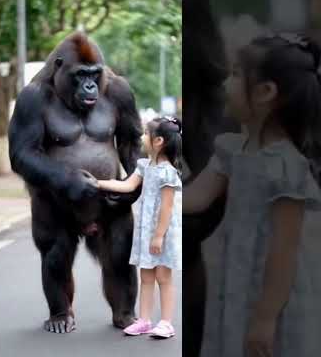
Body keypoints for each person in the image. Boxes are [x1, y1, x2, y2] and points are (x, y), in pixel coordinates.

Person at [184, 34, 321, 357]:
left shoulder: (287, 167)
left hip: (273, 295)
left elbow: (284, 251)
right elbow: (196, 198)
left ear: (265, 92)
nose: (225, 82)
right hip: (235, 283)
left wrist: (265, 318)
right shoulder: (231, 150)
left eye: (235, 74)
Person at [95, 116, 182, 339]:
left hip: (162, 234)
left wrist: (159, 236)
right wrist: (97, 183)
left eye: (146, 134)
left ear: (158, 141)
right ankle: (143, 320)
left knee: (164, 277)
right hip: (145, 233)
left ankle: (166, 323)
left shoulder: (168, 173)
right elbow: (126, 185)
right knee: (146, 277)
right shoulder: (144, 166)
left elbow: (167, 208)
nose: (142, 137)